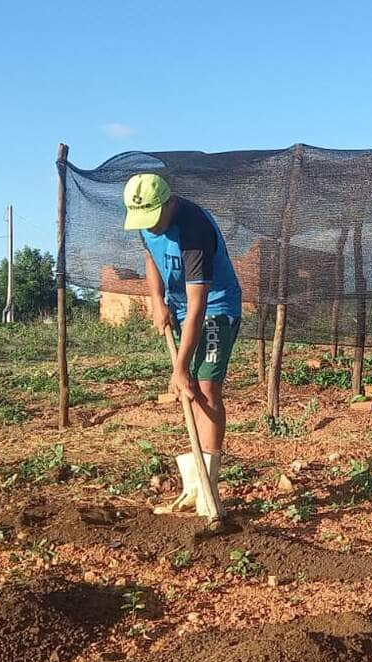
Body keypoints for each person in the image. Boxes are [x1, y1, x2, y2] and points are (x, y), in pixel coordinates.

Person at [123, 173, 243, 514]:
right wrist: (157, 300)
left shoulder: (194, 231)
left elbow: (198, 306)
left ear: (170, 203)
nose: (151, 227)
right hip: (178, 307)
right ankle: (195, 485)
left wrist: (179, 368)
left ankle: (208, 487)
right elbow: (151, 260)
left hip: (216, 307)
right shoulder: (148, 224)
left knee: (205, 388)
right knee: (189, 393)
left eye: (154, 218)